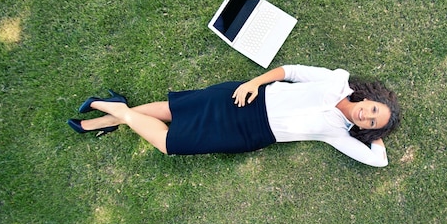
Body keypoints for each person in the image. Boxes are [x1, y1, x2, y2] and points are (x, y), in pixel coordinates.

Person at [67, 65, 400, 167]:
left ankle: (115, 109)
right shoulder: (336, 80)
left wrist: (375, 134)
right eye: (373, 110)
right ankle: (111, 113)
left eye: (370, 122)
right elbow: (292, 71)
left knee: (170, 143)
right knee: (176, 109)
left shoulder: (339, 133)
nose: (366, 115)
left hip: (249, 134)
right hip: (249, 97)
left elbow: (378, 161)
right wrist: (253, 82)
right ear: (370, 97)